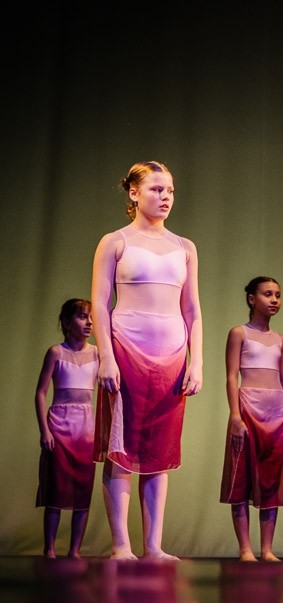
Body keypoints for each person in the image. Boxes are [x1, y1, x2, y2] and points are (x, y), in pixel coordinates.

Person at [91, 160, 203, 560]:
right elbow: (100, 304)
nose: (165, 197)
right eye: (156, 189)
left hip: (171, 358)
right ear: (134, 193)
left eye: (169, 190)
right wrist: (106, 356)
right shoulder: (115, 241)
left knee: (159, 453)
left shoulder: (184, 247)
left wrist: (196, 361)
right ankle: (121, 545)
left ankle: (154, 545)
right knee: (121, 448)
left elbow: (192, 310)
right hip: (126, 350)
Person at [220, 276, 283, 562]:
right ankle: (245, 549)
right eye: (267, 294)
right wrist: (235, 415)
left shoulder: (280, 340)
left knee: (270, 481)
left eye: (278, 294)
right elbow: (231, 376)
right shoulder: (239, 333)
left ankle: (267, 549)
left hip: (277, 414)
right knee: (241, 478)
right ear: (252, 299)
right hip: (248, 410)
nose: (274, 300)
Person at [33, 298, 99, 558]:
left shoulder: (97, 353)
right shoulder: (56, 353)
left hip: (86, 428)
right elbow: (40, 393)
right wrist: (45, 430)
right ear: (66, 322)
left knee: (83, 490)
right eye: (82, 317)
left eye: (90, 317)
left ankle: (75, 551)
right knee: (56, 489)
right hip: (60, 425)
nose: (89, 322)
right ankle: (49, 549)